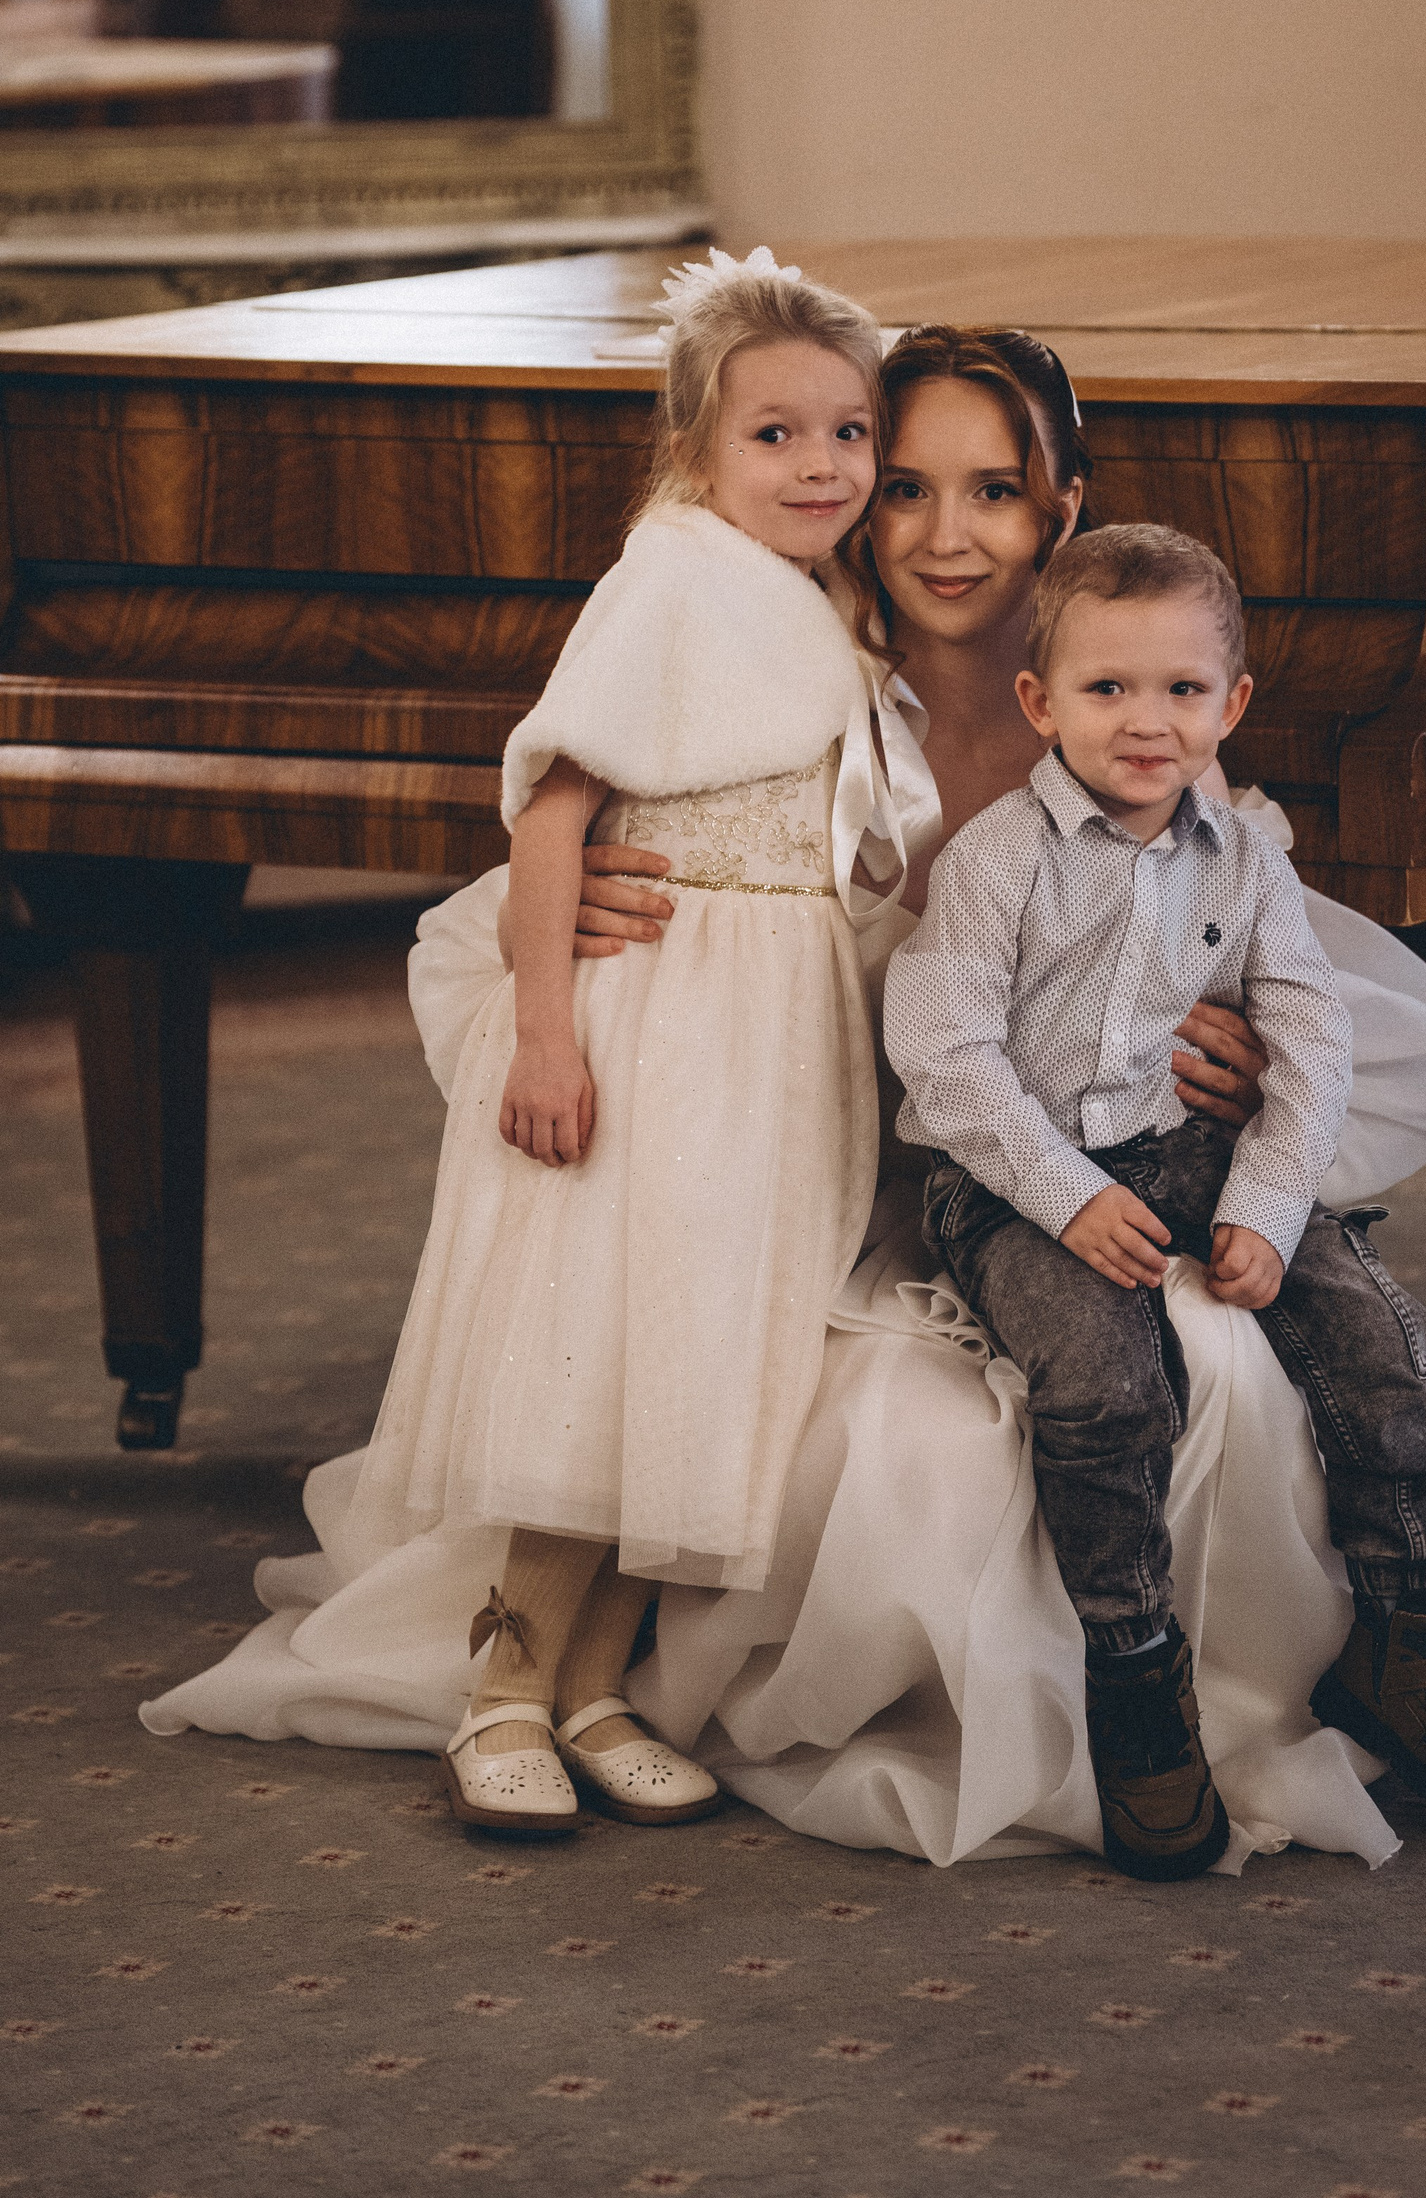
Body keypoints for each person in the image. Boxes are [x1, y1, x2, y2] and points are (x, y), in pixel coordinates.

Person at [145, 318, 1426, 1876]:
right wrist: (581, 910)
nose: (947, 535)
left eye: (996, 492)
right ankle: (568, 1678)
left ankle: (1361, 1647)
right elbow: (627, 828)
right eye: (911, 487)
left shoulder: (1136, 712)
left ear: (1062, 508)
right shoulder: (800, 669)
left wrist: (1234, 1043)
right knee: (888, 1453)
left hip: (1075, 1161)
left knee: (1232, 1367)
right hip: (813, 1155)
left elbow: (1237, 950)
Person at [888, 521, 1426, 1880]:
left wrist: (1271, 1202)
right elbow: (944, 1058)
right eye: (1108, 688)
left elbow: (1311, 1035)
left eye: (1182, 689)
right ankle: (1136, 1675)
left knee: (1374, 1332)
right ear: (1041, 703)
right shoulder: (999, 860)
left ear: (1232, 704)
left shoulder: (1244, 859)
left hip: (1184, 1147)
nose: (1147, 721)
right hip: (1014, 1175)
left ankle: (1410, 1629)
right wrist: (1068, 1198)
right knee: (1109, 1385)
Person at [347, 247, 902, 1835]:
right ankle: (502, 1694)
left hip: (774, 1024)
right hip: (662, 1013)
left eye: (849, 433)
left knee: (703, 1352)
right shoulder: (669, 578)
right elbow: (554, 808)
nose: (820, 465)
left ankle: (594, 1691)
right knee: (614, 1345)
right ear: (694, 448)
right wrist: (544, 1034)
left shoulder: (811, 595)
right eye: (775, 435)